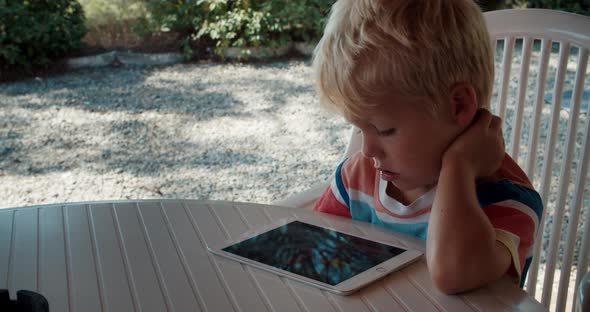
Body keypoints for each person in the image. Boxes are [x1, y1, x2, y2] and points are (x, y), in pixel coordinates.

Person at [311, 0, 543, 294]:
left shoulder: (505, 201)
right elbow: (313, 252)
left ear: (458, 105)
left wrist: (459, 166)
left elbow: (454, 274)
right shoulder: (356, 180)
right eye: (359, 128)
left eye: (384, 130)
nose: (367, 150)